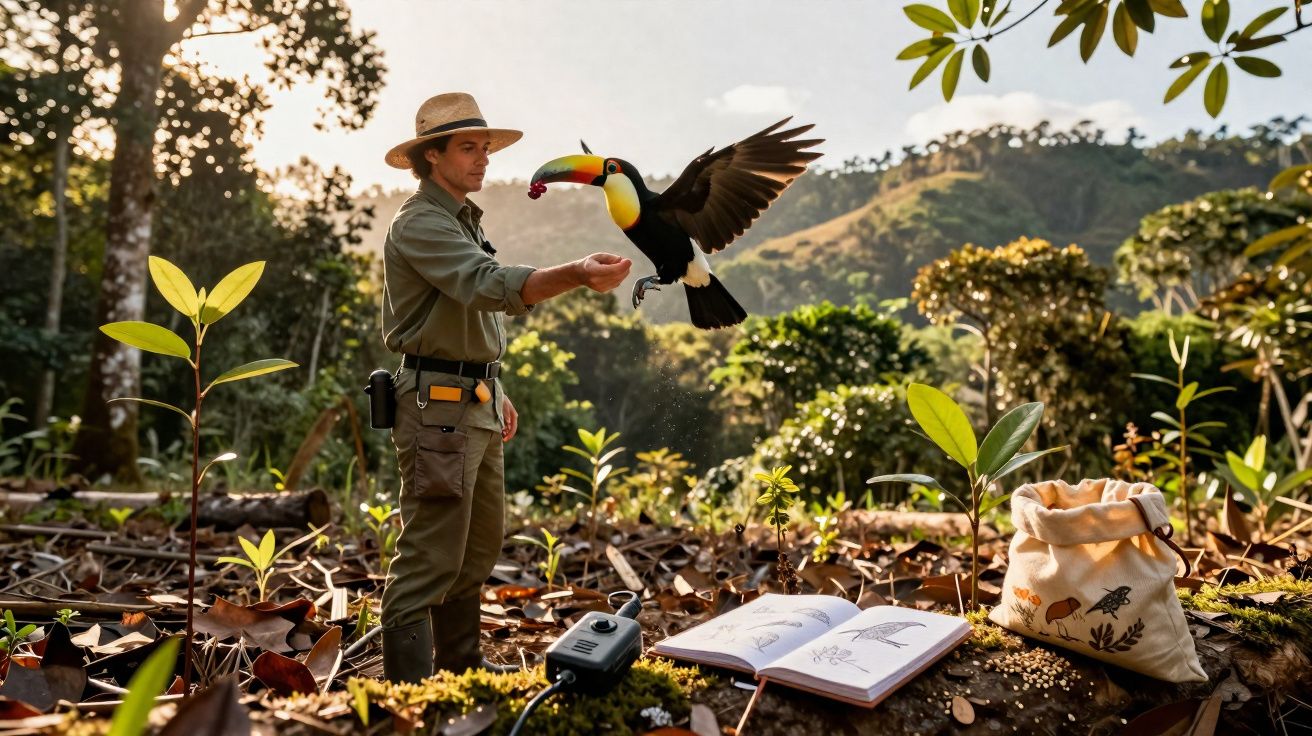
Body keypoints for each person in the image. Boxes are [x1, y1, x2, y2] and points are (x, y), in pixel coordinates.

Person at [378, 92, 631, 682]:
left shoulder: (461, 220)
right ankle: (408, 698)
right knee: (428, 559)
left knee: (476, 551)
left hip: (472, 404)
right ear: (432, 156)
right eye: (468, 147)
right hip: (438, 410)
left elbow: (469, 319)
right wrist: (574, 273)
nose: (483, 159)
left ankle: (461, 679)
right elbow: (486, 286)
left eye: (485, 148)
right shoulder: (420, 222)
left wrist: (492, 385)